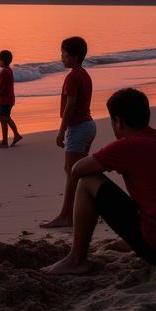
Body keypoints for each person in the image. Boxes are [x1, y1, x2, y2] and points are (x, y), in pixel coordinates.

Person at [40, 88, 156, 276]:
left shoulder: (129, 145)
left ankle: (76, 259)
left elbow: (77, 169)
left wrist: (107, 157)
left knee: (88, 181)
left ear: (118, 122)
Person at [40, 36, 96, 229]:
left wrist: (61, 130)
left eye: (63, 53)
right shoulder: (84, 74)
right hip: (88, 125)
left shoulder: (72, 76)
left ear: (74, 56)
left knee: (72, 173)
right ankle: (81, 212)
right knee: (77, 173)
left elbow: (70, 105)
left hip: (79, 127)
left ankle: (66, 216)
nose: (61, 57)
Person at [0, 49, 22, 148]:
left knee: (5, 117)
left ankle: (16, 134)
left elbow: (0, 87)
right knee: (2, 118)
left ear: (2, 61)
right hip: (9, 99)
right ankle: (4, 141)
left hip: (5, 100)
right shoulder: (9, 70)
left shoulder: (4, 72)